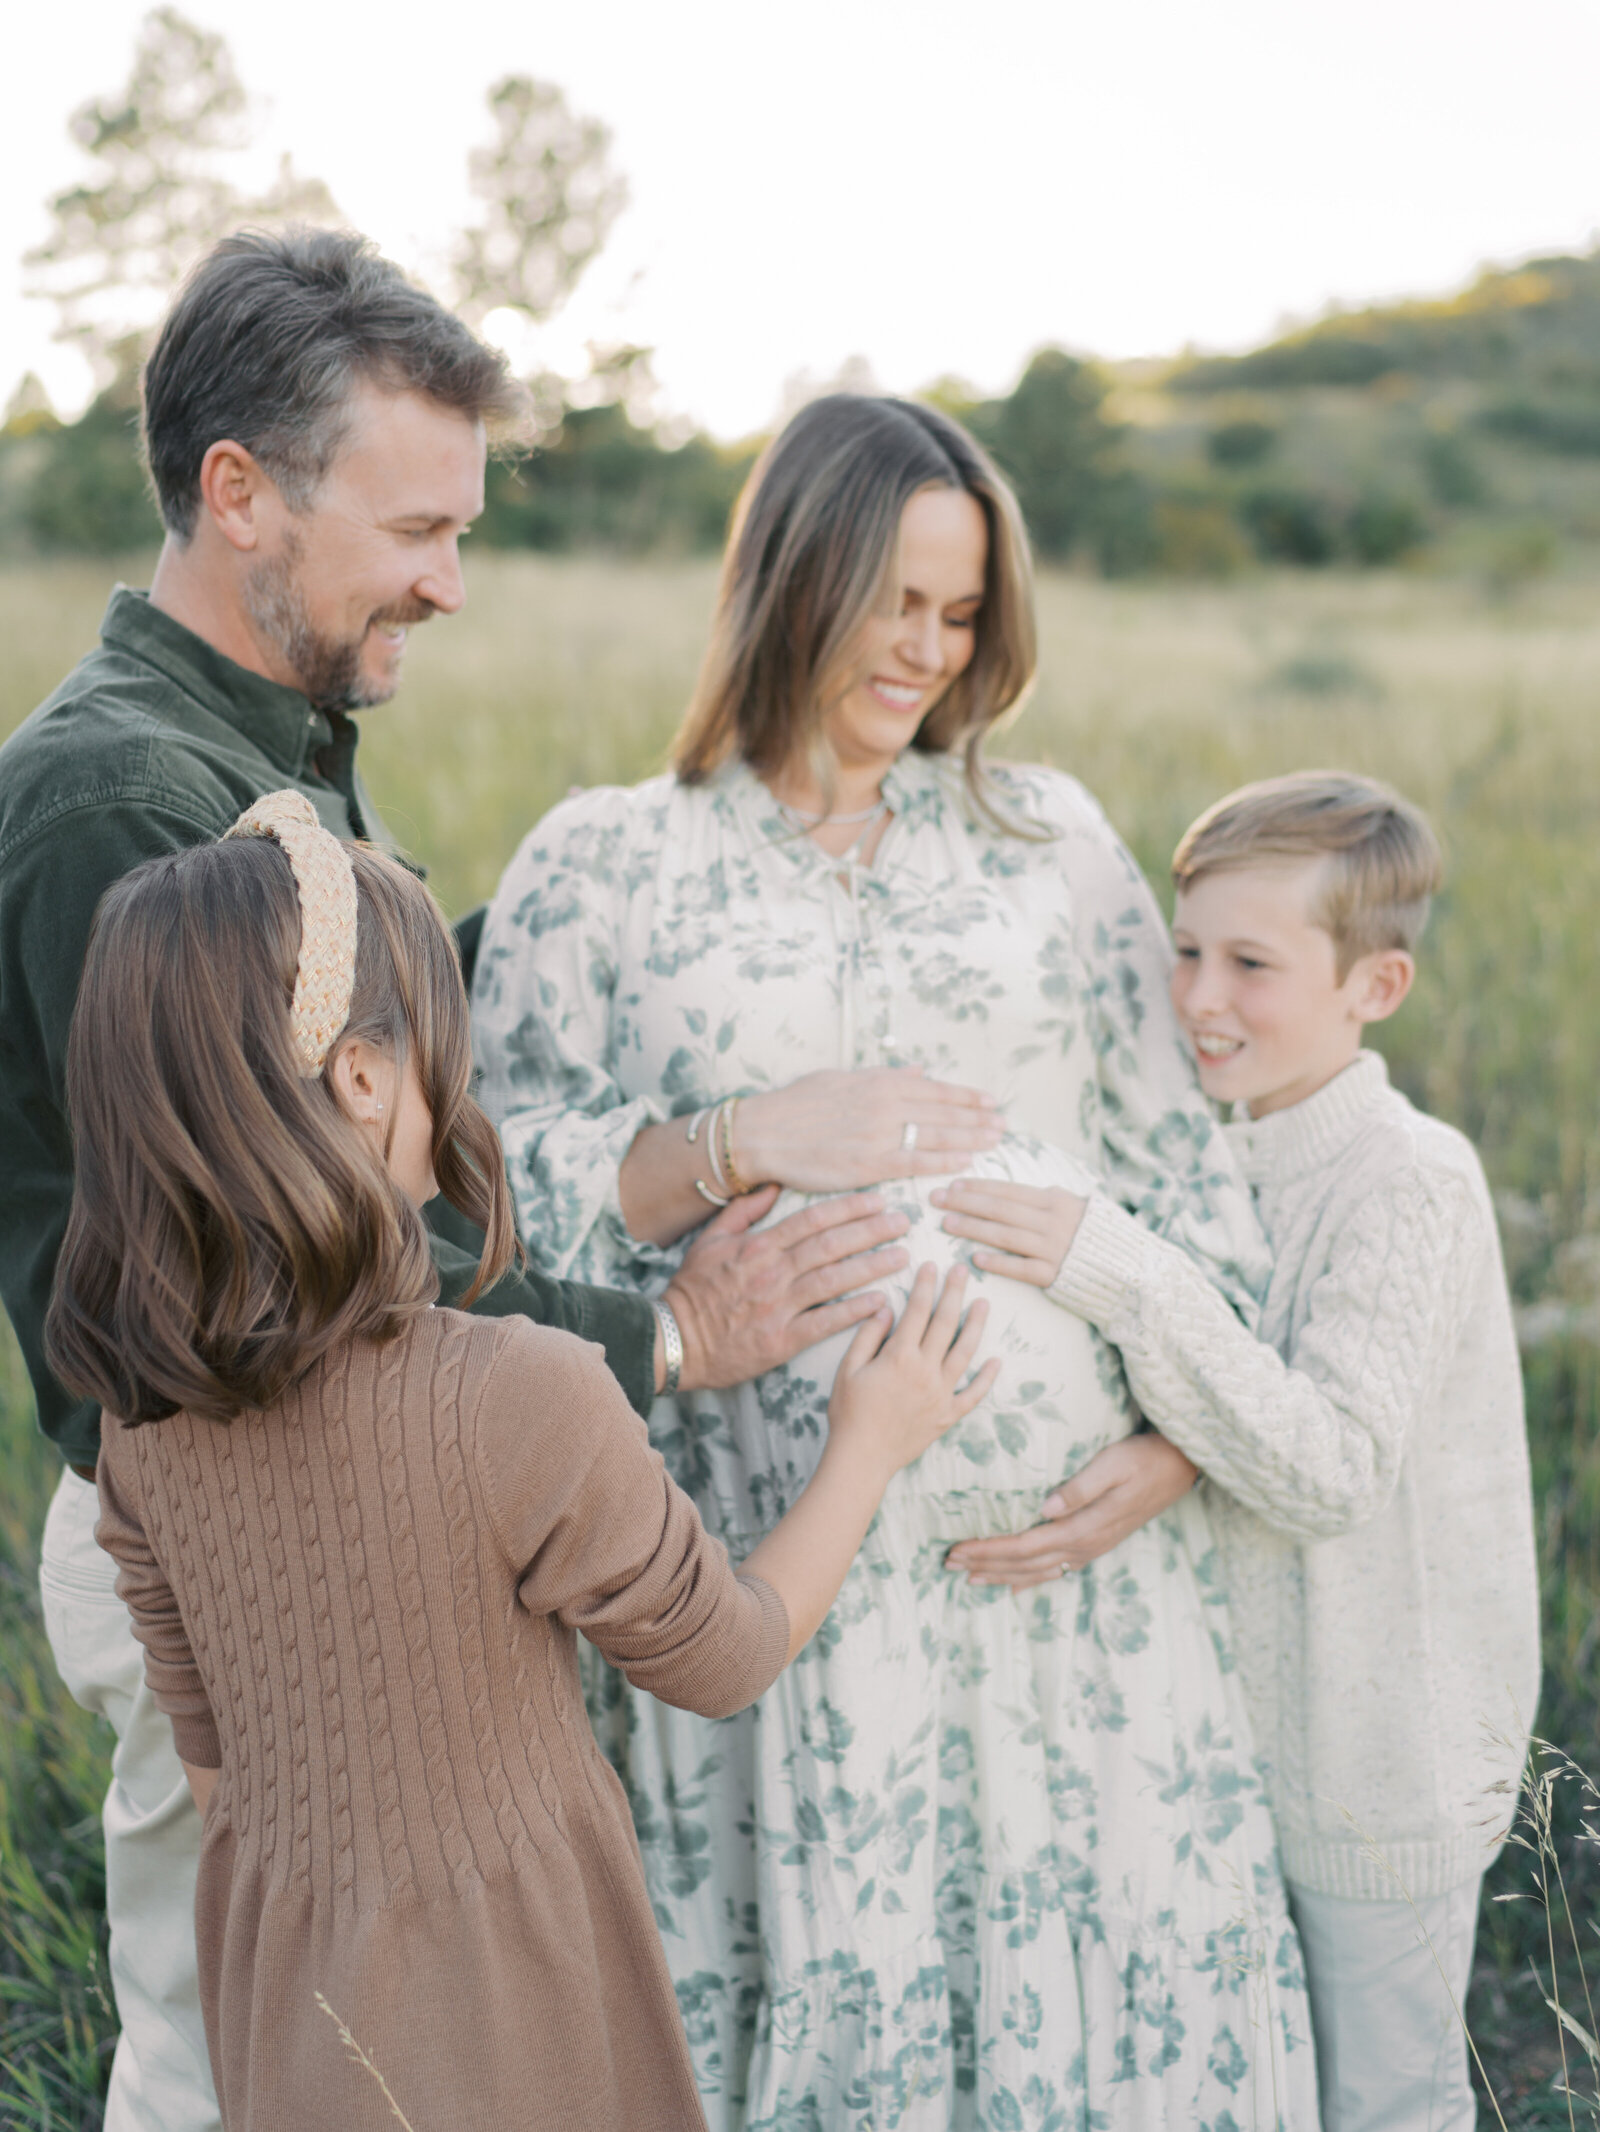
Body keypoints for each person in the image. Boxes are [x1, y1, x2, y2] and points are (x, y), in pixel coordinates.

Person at [0, 228, 909, 2132]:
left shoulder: (263, 752)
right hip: (244, 1527)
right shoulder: (126, 805)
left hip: (333, 1508)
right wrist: (660, 1336)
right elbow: (305, 1233)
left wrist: (604, 892)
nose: (453, 580)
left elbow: (355, 1044)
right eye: (419, 527)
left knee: (381, 2042)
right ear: (239, 494)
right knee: (228, 2051)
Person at [472, 393, 1321, 2127]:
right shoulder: (611, 863)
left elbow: (1190, 1194)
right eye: (897, 603)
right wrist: (735, 1140)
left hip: (1071, 1598)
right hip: (780, 1589)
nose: (929, 651)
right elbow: (490, 1208)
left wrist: (1167, 1456)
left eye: (960, 614)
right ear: (795, 577)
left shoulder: (1052, 848)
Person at [44, 794, 994, 2132]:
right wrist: (870, 1440)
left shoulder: (139, 1434)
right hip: (518, 2015)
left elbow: (219, 1778)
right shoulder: (518, 1393)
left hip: (286, 2015)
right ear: (365, 1079)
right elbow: (726, 1656)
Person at [935, 771, 1541, 2132]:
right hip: (1225, 1756)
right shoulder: (1209, 1143)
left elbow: (1326, 1463)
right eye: (1187, 950)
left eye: (1252, 965)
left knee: (1386, 2103)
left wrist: (1127, 1273)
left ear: (1374, 987)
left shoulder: (1408, 1179)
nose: (1201, 998)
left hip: (1377, 1762)